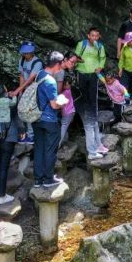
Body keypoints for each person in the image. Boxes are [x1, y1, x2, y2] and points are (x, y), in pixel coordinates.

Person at [33, 51, 68, 187]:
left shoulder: (39, 75)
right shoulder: (50, 81)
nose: (61, 68)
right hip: (49, 120)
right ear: (57, 64)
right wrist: (63, 102)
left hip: (36, 118)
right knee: (50, 150)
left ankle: (38, 180)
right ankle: (48, 179)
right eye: (60, 65)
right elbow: (54, 105)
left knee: (39, 149)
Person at [74, 27, 109, 160]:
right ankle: (85, 118)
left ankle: (92, 115)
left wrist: (100, 67)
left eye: (96, 36)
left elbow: (102, 58)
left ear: (98, 37)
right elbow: (75, 56)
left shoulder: (100, 46)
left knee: (93, 99)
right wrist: (78, 61)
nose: (94, 38)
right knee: (83, 97)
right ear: (88, 35)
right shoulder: (81, 44)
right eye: (92, 36)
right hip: (82, 74)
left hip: (94, 75)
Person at [15, 41, 43, 143]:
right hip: (26, 90)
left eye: (27, 52)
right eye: (24, 52)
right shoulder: (22, 60)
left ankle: (32, 135)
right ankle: (27, 133)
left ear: (32, 52)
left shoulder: (37, 63)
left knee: (30, 112)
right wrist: (20, 92)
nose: (25, 54)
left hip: (34, 91)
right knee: (23, 112)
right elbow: (22, 76)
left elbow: (30, 79)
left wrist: (16, 91)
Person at [59, 73, 76, 146]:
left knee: (63, 127)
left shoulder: (65, 93)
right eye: (65, 85)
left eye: (67, 85)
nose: (67, 86)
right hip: (71, 111)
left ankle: (58, 144)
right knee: (64, 127)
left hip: (67, 113)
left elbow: (60, 105)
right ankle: (64, 141)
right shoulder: (68, 91)